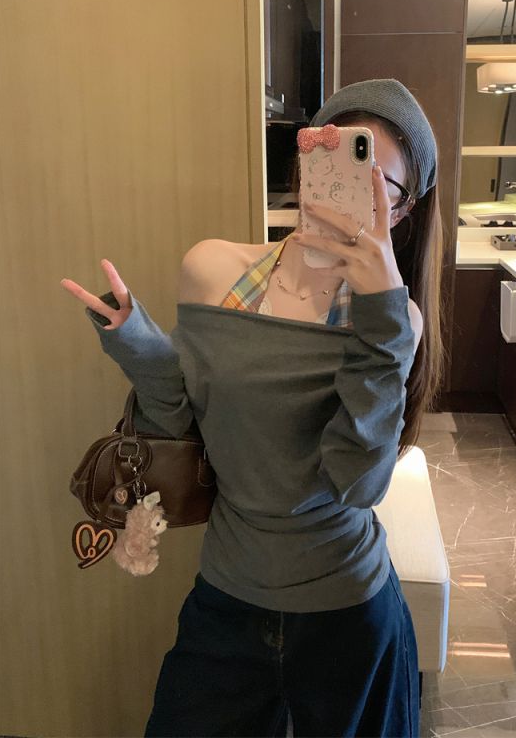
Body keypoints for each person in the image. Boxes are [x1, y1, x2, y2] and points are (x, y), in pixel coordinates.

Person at [60, 78, 444, 737]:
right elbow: (177, 426)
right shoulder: (215, 270)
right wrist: (136, 342)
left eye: (380, 183)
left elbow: (358, 483)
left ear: (403, 211)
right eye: (338, 163)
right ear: (304, 165)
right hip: (228, 600)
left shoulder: (394, 320)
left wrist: (382, 311)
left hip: (348, 610)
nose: (351, 191)